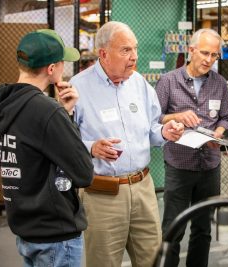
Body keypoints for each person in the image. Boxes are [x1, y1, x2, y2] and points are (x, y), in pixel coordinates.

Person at [70, 21, 184, 267]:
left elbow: (152, 128)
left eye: (135, 49)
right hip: (102, 194)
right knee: (103, 262)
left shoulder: (139, 84)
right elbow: (64, 142)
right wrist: (91, 147)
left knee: (153, 260)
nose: (134, 57)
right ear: (103, 53)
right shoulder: (78, 88)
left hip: (143, 188)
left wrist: (165, 131)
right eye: (125, 50)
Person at [0, 29, 94, 267]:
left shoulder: (7, 104)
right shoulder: (46, 110)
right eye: (62, 62)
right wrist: (65, 117)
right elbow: (84, 172)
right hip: (55, 232)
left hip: (27, 228)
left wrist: (63, 113)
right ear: (51, 69)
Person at [155, 28, 228, 267]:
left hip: (210, 165)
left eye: (214, 56)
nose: (209, 60)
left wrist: (218, 134)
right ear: (191, 50)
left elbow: (226, 118)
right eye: (205, 53)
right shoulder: (169, 81)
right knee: (173, 227)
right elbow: (156, 118)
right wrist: (177, 116)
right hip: (179, 165)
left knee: (203, 229)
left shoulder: (219, 83)